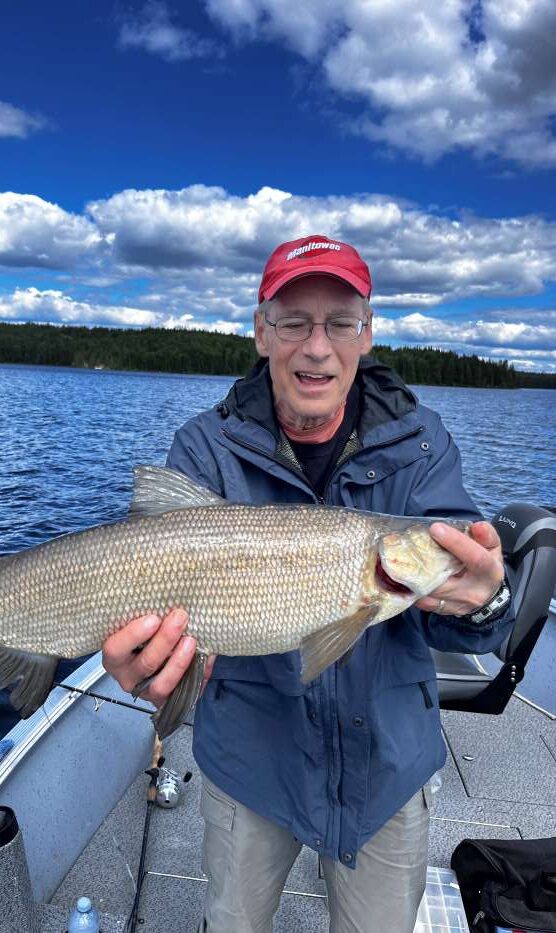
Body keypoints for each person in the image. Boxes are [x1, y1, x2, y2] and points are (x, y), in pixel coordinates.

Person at [103, 234, 513, 933]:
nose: (316, 347)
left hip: (388, 765)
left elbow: (466, 607)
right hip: (250, 762)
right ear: (262, 333)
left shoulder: (422, 443)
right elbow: (161, 627)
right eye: (294, 321)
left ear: (367, 333)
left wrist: (485, 601)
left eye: (339, 322)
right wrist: (145, 670)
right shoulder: (204, 448)